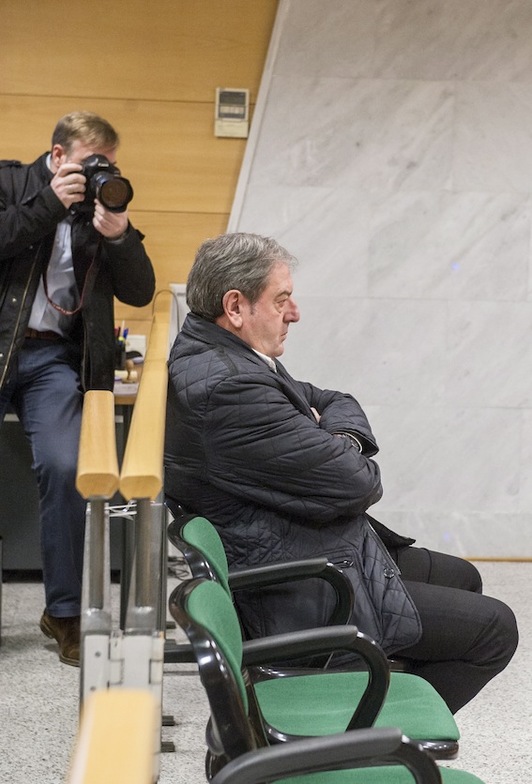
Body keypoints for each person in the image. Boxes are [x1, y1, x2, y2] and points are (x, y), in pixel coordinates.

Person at [164, 231, 518, 714]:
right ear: (235, 306)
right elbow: (359, 483)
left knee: (463, 577)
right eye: (282, 299)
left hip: (310, 544)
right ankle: (370, 738)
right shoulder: (230, 387)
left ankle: (365, 721)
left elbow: (335, 400)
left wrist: (336, 440)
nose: (295, 313)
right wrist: (339, 448)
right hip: (295, 584)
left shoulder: (222, 356)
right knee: (496, 628)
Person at [0, 111, 156, 666]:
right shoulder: (10, 183)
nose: (98, 173)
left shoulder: (101, 208)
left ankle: (64, 613)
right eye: (89, 162)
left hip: (50, 361)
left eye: (107, 165)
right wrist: (49, 204)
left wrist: (119, 237)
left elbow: (141, 290)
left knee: (69, 468)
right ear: (57, 155)